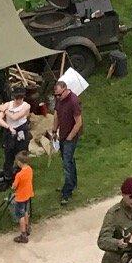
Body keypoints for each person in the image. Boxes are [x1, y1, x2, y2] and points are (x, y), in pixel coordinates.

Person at [53, 73, 85, 202]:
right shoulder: (59, 99)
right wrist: (54, 130)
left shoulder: (73, 101)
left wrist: (70, 137)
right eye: (56, 95)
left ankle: (67, 192)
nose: (58, 97)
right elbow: (56, 115)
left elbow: (79, 122)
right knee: (69, 160)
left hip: (70, 137)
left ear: (66, 90)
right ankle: (73, 183)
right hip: (62, 135)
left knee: (67, 163)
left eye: (60, 94)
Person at [0, 87, 32, 187]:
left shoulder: (26, 106)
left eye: (21, 98)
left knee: (21, 154)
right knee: (8, 154)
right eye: (16, 98)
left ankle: (22, 176)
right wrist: (8, 127)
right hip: (10, 131)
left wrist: (5, 110)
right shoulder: (8, 104)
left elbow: (15, 117)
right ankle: (7, 177)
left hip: (21, 131)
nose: (18, 100)